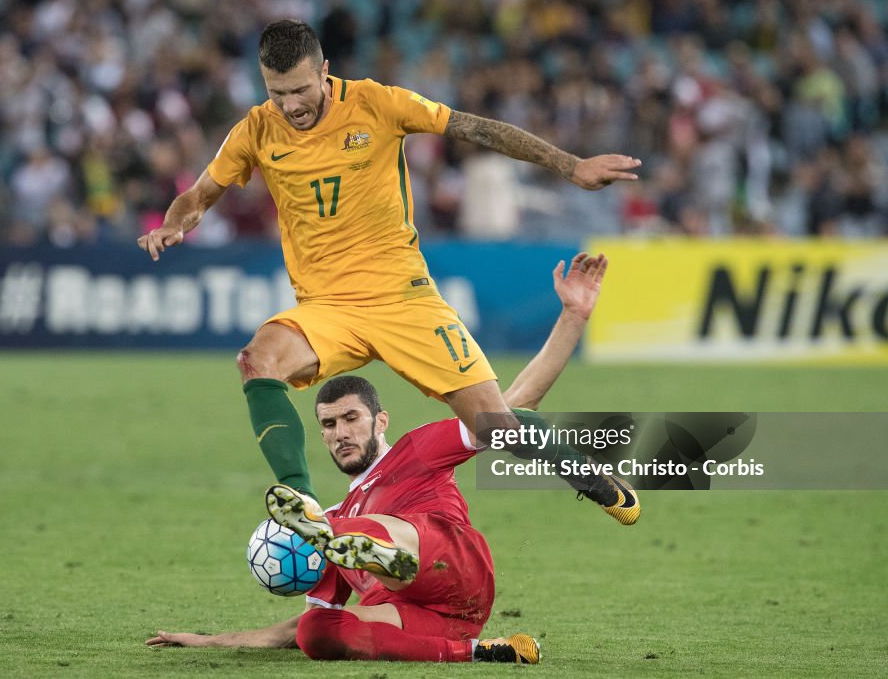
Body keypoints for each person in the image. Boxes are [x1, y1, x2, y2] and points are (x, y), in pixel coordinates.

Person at [136, 20, 641, 512]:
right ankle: (303, 504)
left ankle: (589, 474)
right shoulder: (255, 130)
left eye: (300, 90)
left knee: (495, 427)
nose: (290, 106)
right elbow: (201, 193)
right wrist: (176, 223)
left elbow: (477, 129)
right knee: (256, 361)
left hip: (403, 299)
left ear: (324, 71)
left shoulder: (378, 103)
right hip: (327, 309)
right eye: (276, 93)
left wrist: (571, 166)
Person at [146, 253, 635, 663]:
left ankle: (385, 554)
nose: (341, 434)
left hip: (453, 566)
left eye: (352, 419)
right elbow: (289, 631)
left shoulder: (417, 450)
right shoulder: (333, 519)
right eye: (329, 425)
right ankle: (479, 652)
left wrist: (573, 317)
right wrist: (210, 640)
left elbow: (511, 412)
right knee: (316, 632)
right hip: (434, 618)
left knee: (359, 529)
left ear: (381, 421)